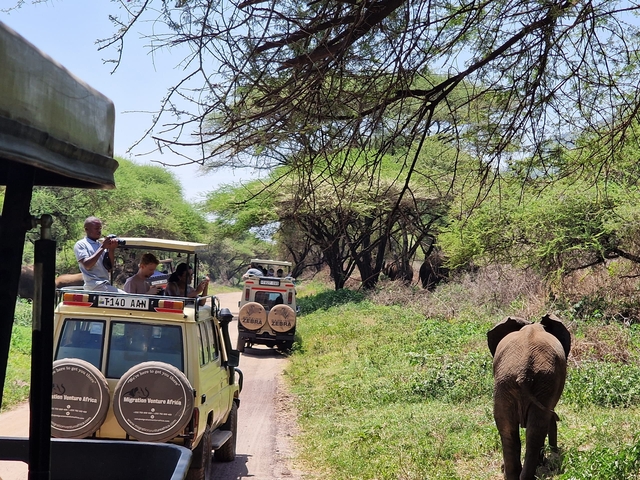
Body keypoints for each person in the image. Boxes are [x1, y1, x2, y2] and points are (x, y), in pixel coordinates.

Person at [74, 216, 120, 292]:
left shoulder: (99, 245)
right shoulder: (81, 244)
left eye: (100, 228)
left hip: (105, 285)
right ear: (86, 229)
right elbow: (87, 265)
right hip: (94, 285)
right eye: (96, 228)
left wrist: (111, 250)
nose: (99, 231)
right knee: (128, 298)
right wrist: (103, 247)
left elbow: (109, 268)